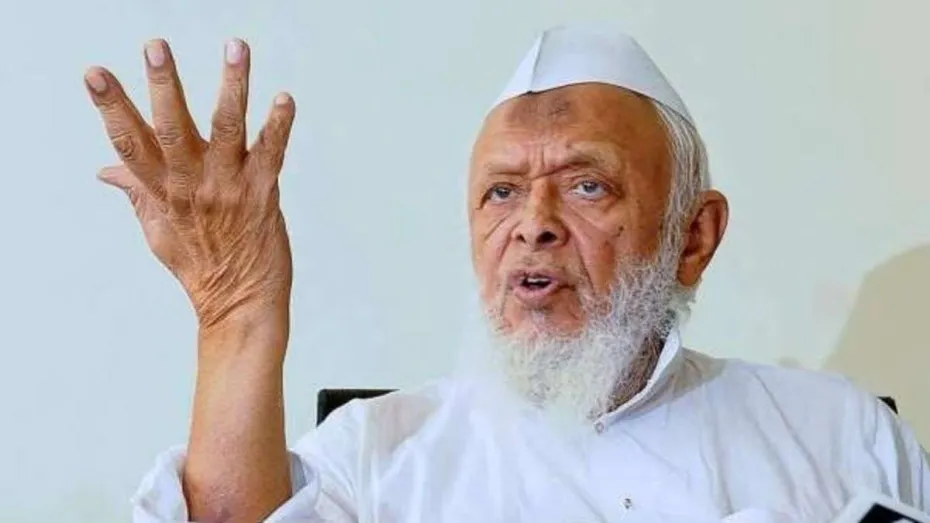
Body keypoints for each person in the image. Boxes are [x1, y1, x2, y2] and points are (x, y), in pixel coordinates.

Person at [84, 25, 929, 523]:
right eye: (501, 192)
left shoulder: (838, 435)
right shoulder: (378, 456)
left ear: (694, 235)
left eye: (587, 185)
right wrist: (235, 317)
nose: (533, 223)